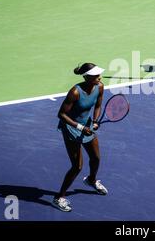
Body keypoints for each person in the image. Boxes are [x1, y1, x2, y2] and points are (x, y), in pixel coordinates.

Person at [52, 63, 108, 212]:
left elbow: (97, 106)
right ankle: (58, 197)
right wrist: (81, 127)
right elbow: (61, 114)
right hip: (71, 129)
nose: (99, 77)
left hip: (87, 126)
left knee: (96, 158)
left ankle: (91, 180)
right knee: (77, 166)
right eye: (96, 75)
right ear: (87, 77)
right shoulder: (75, 92)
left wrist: (95, 122)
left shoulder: (100, 87)